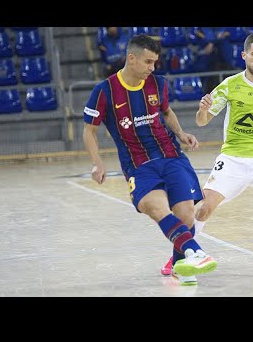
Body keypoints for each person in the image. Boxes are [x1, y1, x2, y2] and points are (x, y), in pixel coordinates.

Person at [161, 32, 253, 275]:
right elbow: (202, 122)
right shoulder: (230, 85)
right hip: (232, 158)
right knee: (203, 208)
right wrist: (202, 110)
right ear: (244, 55)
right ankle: (180, 256)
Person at [83, 34, 217, 286]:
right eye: (148, 62)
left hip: (171, 156)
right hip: (138, 165)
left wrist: (181, 133)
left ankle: (180, 266)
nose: (152, 68)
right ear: (131, 58)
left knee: (187, 213)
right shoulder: (104, 91)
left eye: (155, 62)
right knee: (154, 207)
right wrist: (98, 162)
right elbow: (89, 130)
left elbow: (166, 111)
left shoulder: (159, 84)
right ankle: (196, 252)